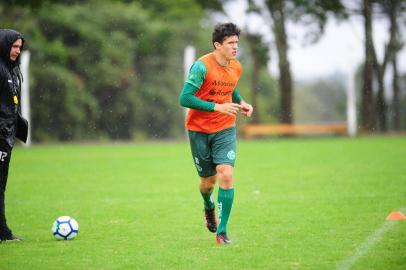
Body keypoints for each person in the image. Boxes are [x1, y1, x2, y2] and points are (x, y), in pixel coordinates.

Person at [179, 22, 253, 244]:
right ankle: (208, 205)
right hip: (199, 130)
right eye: (230, 43)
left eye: (237, 43)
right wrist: (216, 106)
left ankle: (222, 232)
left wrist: (241, 102)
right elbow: (184, 98)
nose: (235, 47)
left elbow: (230, 87)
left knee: (227, 175)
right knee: (208, 183)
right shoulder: (201, 67)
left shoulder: (236, 66)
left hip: (225, 128)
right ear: (217, 45)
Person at [0, 29, 29, 242]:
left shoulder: (10, 71)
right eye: (14, 46)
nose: (17, 51)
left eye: (20, 47)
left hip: (5, 137)